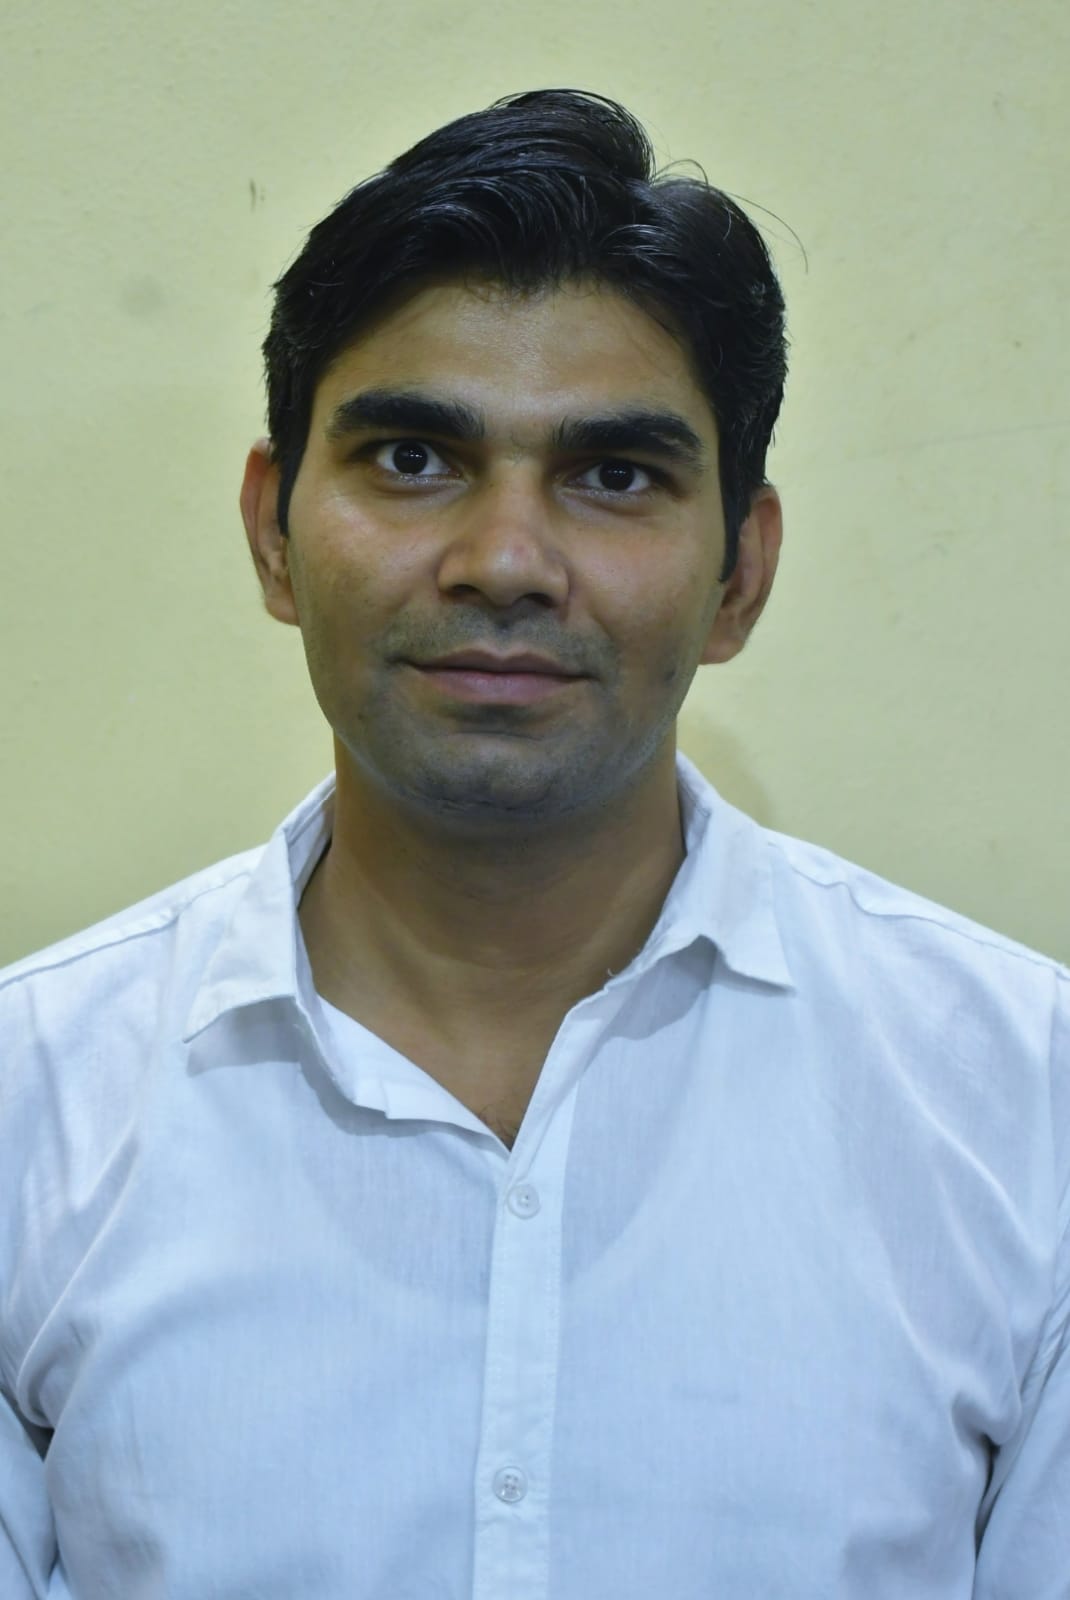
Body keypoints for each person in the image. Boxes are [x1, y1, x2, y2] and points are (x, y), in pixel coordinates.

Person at [1, 87, 1066, 1600]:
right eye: (411, 459)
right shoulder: (30, 1111)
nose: (504, 561)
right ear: (272, 533)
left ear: (741, 574)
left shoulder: (1026, 1109)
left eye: (613, 475)